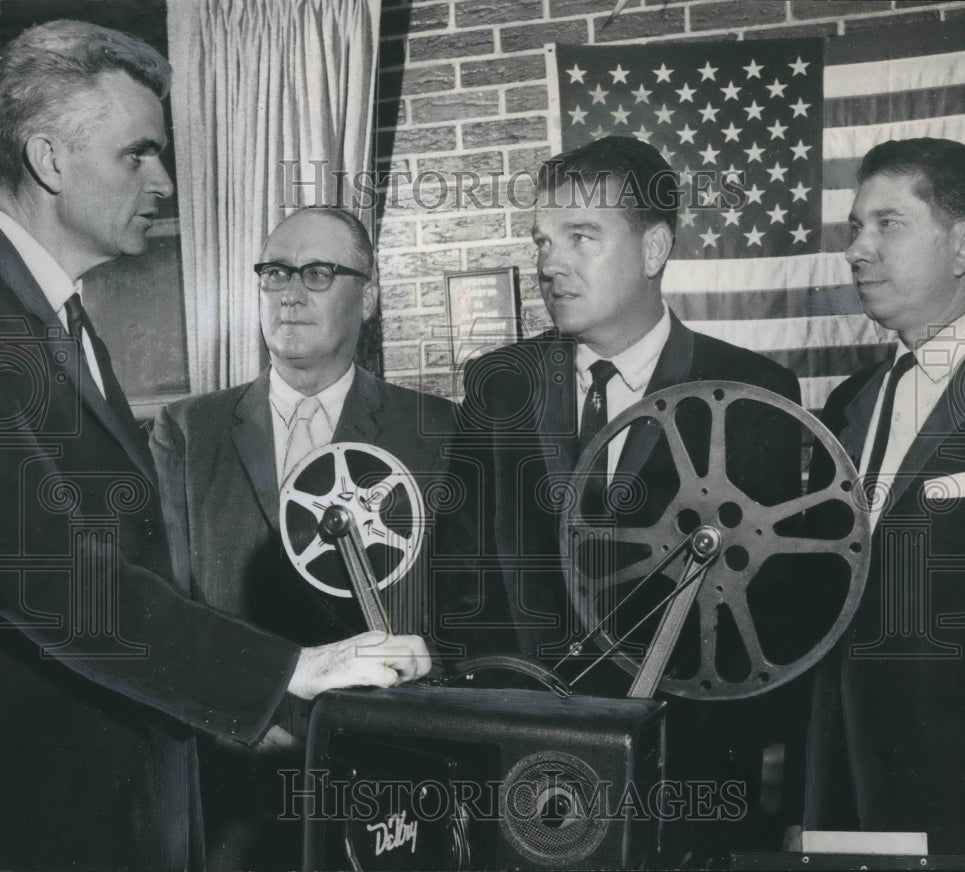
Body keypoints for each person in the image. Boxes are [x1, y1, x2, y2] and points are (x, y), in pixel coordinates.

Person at [0, 20, 429, 871]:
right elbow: (44, 570)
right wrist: (279, 672)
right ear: (49, 160)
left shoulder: (61, 321)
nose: (163, 180)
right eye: (137, 154)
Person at [440, 135, 806, 857]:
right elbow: (461, 573)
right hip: (522, 773)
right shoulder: (497, 386)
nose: (550, 264)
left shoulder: (755, 393)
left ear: (653, 248)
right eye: (543, 240)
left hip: (691, 783)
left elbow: (777, 603)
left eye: (581, 237)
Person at [150, 206, 456, 868]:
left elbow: (464, 615)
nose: (290, 292)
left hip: (392, 786)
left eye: (319, 273)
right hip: (237, 783)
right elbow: (168, 609)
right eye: (275, 272)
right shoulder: (186, 431)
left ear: (368, 296)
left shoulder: (442, 433)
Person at [802, 138, 965, 855]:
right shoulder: (852, 401)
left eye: (889, 224)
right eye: (855, 227)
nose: (858, 249)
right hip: (845, 788)